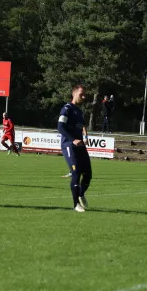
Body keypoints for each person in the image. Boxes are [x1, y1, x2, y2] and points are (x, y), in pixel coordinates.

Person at [58, 84, 92, 212]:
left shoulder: (80, 112)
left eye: (84, 95)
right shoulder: (67, 108)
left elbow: (82, 126)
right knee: (76, 172)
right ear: (74, 94)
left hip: (80, 146)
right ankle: (75, 204)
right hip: (69, 145)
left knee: (88, 174)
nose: (83, 97)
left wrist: (84, 137)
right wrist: (73, 139)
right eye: (81, 94)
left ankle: (81, 193)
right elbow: (60, 127)